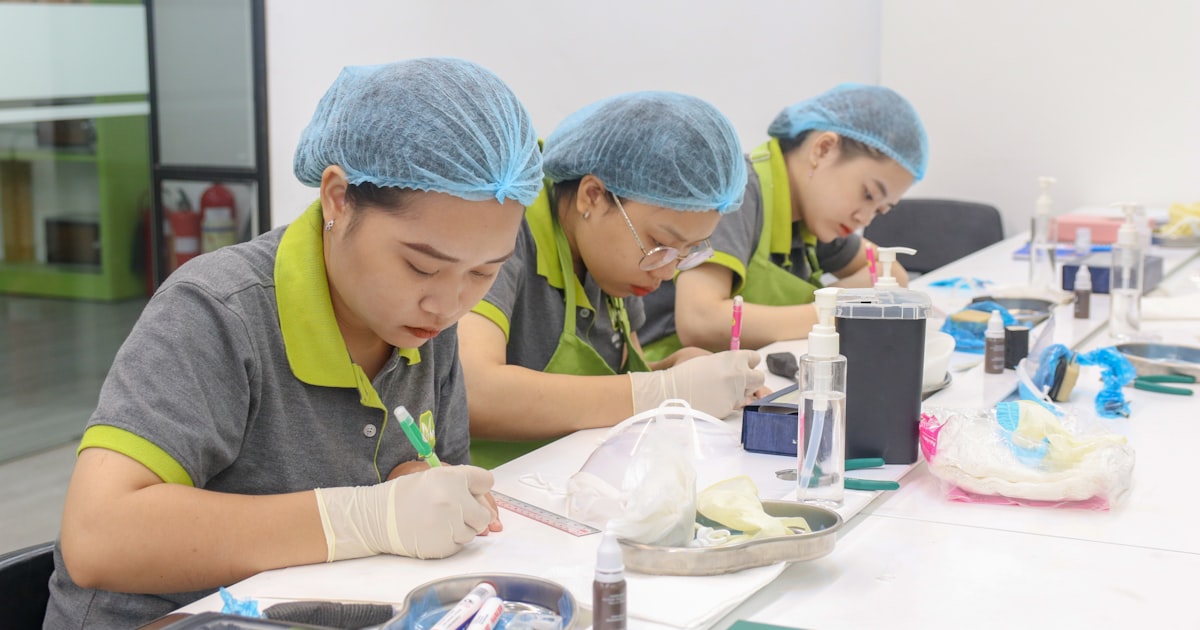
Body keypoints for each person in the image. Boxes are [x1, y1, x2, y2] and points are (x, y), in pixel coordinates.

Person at [44, 58, 544, 629]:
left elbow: (424, 470)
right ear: (337, 198)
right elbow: (98, 537)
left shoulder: (425, 324)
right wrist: (364, 517)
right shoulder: (218, 312)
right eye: (421, 266)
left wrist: (419, 487)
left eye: (483, 273)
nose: (448, 304)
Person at [458, 91, 768, 468]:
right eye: (660, 244)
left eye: (686, 252)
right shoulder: (507, 227)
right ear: (592, 196)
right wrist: (664, 391)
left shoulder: (612, 262)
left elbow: (617, 383)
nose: (666, 272)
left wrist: (676, 371)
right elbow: (473, 392)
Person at [640, 84, 929, 358]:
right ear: (823, 149)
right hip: (665, 374)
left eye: (880, 210)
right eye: (867, 194)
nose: (864, 218)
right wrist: (830, 312)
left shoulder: (813, 219)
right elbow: (700, 321)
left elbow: (892, 272)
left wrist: (839, 302)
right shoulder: (738, 193)